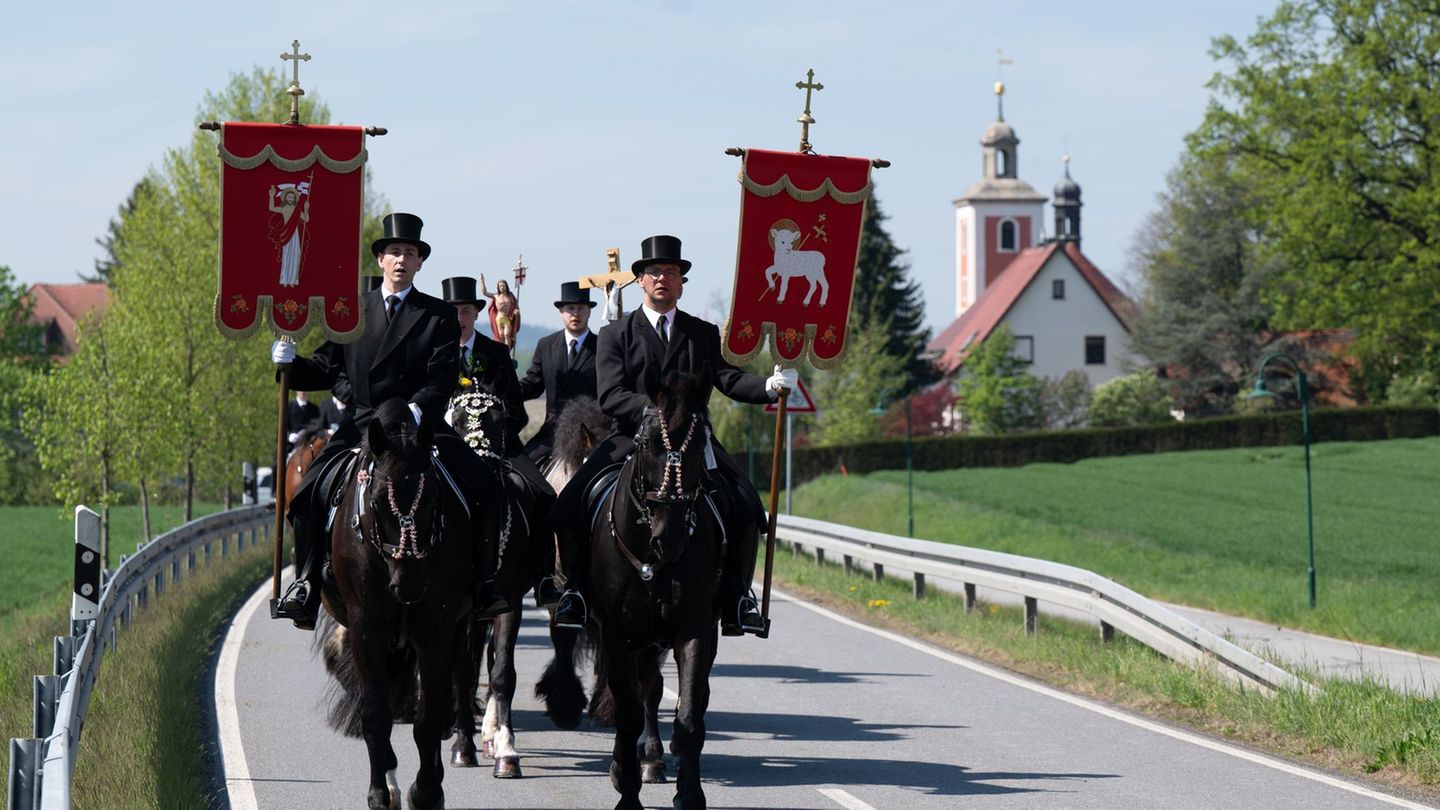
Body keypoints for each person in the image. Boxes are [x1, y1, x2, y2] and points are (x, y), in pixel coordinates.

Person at [270, 213, 510, 629]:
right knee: (307, 495)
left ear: (420, 264)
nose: (401, 259)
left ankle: (483, 583)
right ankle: (306, 584)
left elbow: (441, 375)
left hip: (418, 428)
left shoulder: (437, 315)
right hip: (364, 426)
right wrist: (290, 364)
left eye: (410, 253)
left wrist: (416, 411)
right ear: (380, 259)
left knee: (485, 485)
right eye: (394, 251)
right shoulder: (350, 310)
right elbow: (327, 367)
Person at [549, 235, 797, 635]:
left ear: (681, 283)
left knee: (748, 505)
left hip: (692, 438)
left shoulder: (701, 332)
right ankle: (576, 592)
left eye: (671, 272)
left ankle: (737, 596)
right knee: (568, 505)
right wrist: (655, 414)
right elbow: (611, 394)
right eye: (654, 272)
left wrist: (770, 386)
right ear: (641, 282)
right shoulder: (616, 334)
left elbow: (727, 378)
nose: (663, 278)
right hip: (632, 437)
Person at [518, 281, 599, 465]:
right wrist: (506, 387)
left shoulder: (602, 346)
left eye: (581, 308)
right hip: (552, 432)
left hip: (591, 431)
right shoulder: (546, 345)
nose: (576, 314)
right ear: (561, 311)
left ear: (589, 311)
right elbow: (533, 383)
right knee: (524, 470)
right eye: (570, 308)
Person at [478, 274, 520, 350]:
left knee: (507, 334)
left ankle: (507, 350)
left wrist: (515, 312)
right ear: (498, 287)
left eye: (503, 286)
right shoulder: (496, 296)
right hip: (499, 318)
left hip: (507, 318)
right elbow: (484, 292)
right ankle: (502, 350)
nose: (502, 287)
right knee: (500, 335)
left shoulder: (510, 296)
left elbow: (515, 305)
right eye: (500, 286)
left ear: (506, 286)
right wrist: (482, 282)